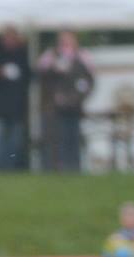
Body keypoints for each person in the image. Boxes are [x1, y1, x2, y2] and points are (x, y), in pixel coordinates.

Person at [37, 30, 94, 172]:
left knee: (73, 138)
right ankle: (55, 168)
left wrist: (75, 97)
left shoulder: (82, 57)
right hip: (53, 108)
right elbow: (41, 76)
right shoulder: (50, 56)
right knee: (56, 139)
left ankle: (73, 167)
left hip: (74, 106)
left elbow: (88, 82)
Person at [0, 25, 31, 171]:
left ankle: (11, 168)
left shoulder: (22, 55)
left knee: (15, 142)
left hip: (17, 107)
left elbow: (29, 77)